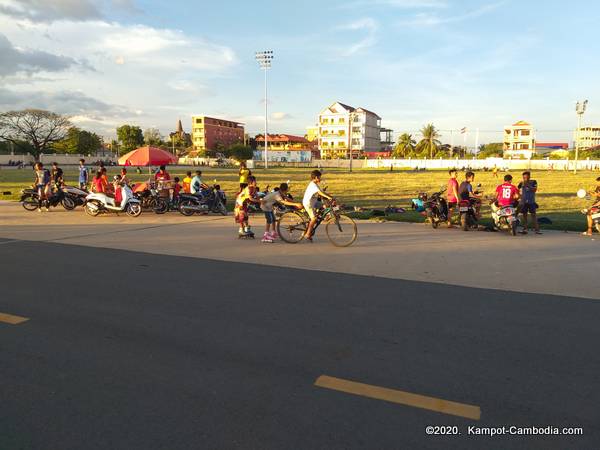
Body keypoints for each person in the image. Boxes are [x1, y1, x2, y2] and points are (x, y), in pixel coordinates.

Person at [302, 170, 333, 241]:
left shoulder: (315, 184)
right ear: (316, 177)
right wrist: (328, 197)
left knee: (325, 206)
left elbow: (321, 192)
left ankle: (324, 217)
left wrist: (331, 197)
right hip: (308, 203)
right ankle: (307, 234)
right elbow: (320, 193)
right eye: (319, 177)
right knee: (314, 219)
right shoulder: (313, 185)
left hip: (314, 202)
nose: (320, 179)